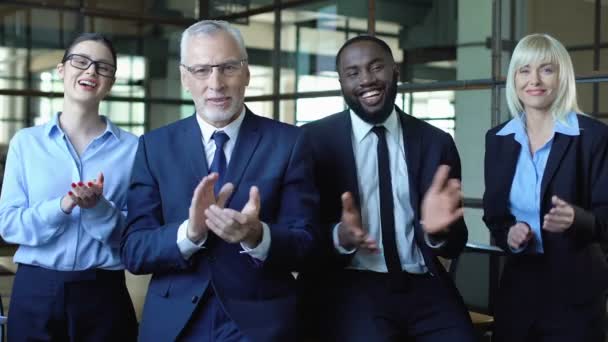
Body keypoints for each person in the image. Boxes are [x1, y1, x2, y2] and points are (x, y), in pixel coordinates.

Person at [120, 20, 321, 342]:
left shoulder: (290, 143)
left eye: (228, 67)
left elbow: (308, 244)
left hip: (263, 324)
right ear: (185, 78)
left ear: (246, 73)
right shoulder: (154, 147)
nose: (216, 83)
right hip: (175, 325)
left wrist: (258, 235)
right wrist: (190, 233)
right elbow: (134, 250)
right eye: (201, 70)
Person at [298, 35, 476, 342]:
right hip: (350, 282)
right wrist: (340, 236)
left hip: (423, 282)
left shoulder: (435, 143)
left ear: (395, 71)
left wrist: (436, 233)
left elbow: (456, 241)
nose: (367, 80)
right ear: (341, 82)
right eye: (353, 73)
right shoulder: (312, 142)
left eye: (376, 67)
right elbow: (299, 230)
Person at [0, 33, 138, 341]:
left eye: (103, 67)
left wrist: (99, 209)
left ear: (111, 82)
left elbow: (136, 234)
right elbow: (8, 225)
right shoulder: (26, 143)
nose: (91, 71)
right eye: (81, 61)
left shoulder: (134, 149)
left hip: (104, 294)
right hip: (35, 291)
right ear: (62, 70)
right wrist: (62, 206)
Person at [483, 33, 608, 342]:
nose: (534, 79)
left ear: (561, 76)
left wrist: (578, 219)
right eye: (524, 70)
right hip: (518, 287)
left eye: (546, 69)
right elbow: (495, 215)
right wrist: (510, 234)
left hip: (576, 291)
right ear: (514, 78)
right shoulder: (497, 139)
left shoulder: (593, 137)